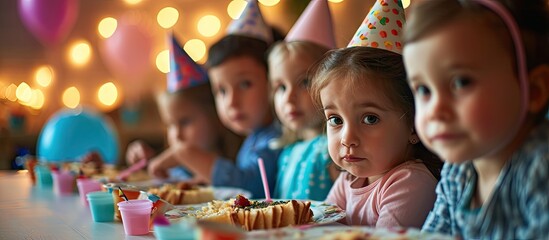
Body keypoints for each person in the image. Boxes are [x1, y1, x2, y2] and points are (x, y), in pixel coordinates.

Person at [402, 0, 549, 238]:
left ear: (533, 91)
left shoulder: (540, 167)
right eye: (423, 90)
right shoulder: (457, 171)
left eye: (461, 82)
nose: (435, 110)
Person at [310, 0, 443, 227]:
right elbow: (319, 230)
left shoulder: (410, 181)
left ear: (413, 124)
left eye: (370, 118)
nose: (347, 139)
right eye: (335, 119)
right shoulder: (349, 179)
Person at [162, 0, 283, 198]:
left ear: (274, 80)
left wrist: (185, 153)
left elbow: (250, 186)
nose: (232, 102)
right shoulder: (253, 139)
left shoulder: (276, 140)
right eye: (222, 91)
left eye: (245, 84)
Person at [126, 35, 241, 183]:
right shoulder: (177, 171)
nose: (177, 134)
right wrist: (143, 163)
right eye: (170, 125)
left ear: (215, 116)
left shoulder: (236, 167)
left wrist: (184, 153)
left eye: (185, 122)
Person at [268, 0, 338, 201]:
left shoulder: (333, 152)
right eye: (281, 87)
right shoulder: (287, 153)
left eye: (304, 82)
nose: (288, 97)